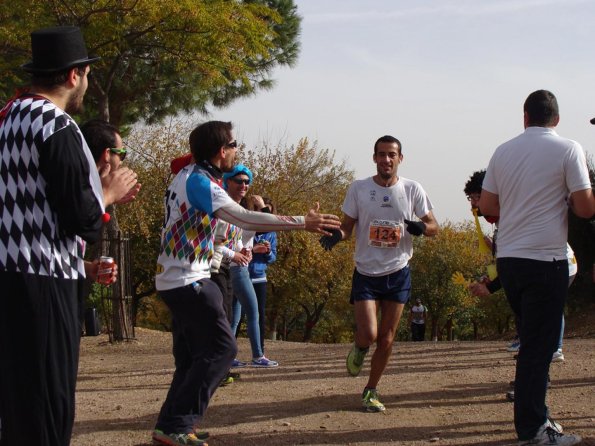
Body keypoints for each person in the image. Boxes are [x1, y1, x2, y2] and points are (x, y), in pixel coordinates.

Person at [153, 120, 340, 446]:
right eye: (233, 144)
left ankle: (171, 426)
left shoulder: (189, 174)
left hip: (177, 278)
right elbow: (245, 217)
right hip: (188, 280)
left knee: (192, 357)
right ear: (221, 151)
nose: (238, 149)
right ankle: (177, 425)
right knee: (222, 350)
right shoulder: (200, 182)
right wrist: (302, 222)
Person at [0, 26, 136, 446]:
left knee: (17, 402)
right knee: (47, 405)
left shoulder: (8, 118)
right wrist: (109, 195)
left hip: (7, 273)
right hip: (43, 280)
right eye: (87, 74)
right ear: (75, 75)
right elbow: (82, 220)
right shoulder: (58, 127)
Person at [479, 90, 594, 445]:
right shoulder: (568, 149)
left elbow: (487, 205)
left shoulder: (503, 150)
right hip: (546, 259)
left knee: (532, 342)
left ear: (525, 116)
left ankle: (538, 419)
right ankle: (532, 430)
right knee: (538, 349)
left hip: (510, 261)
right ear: (556, 119)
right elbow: (586, 208)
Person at [320, 134, 438, 412]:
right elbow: (347, 227)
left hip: (398, 271)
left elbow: (434, 226)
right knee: (369, 334)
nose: (386, 160)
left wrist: (422, 229)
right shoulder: (359, 188)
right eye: (381, 154)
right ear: (374, 158)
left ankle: (371, 389)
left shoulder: (413, 189)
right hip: (366, 272)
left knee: (387, 338)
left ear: (400, 158)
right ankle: (360, 347)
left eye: (391, 155)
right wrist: (337, 235)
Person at [223, 166, 278, 367]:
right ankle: (257, 356)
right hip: (234, 268)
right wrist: (238, 253)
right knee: (253, 312)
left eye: (247, 182)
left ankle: (228, 357)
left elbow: (237, 237)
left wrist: (245, 249)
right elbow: (218, 241)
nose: (244, 185)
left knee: (234, 318)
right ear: (227, 181)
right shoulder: (228, 209)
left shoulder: (241, 212)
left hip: (236, 267)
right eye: (239, 181)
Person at [248, 197, 278, 353]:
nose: (265, 215)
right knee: (236, 317)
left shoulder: (271, 233)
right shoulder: (245, 226)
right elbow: (234, 248)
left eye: (268, 212)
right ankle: (228, 355)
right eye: (261, 210)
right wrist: (253, 249)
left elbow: (273, 257)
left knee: (259, 315)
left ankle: (259, 352)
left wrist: (267, 252)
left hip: (260, 278)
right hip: (242, 276)